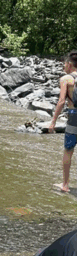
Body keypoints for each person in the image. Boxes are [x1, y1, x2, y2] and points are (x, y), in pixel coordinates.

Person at [49, 50, 77, 193]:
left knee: (68, 150)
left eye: (64, 64)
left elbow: (61, 101)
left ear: (69, 64)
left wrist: (53, 121)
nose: (64, 66)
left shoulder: (66, 79)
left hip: (74, 117)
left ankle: (65, 185)